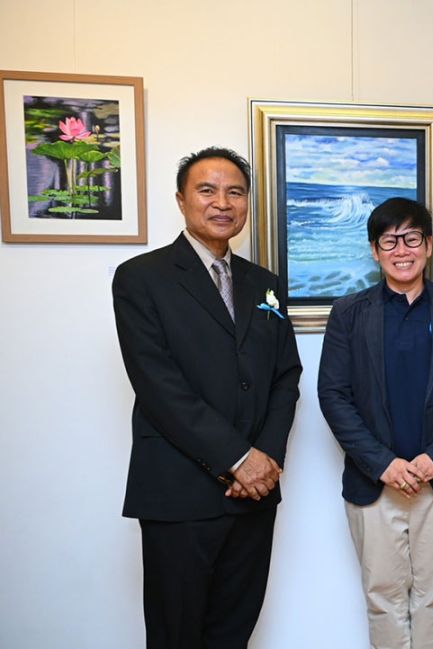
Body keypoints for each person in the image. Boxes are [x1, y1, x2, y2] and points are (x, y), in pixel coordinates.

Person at [112, 146, 302, 648]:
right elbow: (158, 384)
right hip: (180, 492)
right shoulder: (140, 277)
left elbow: (286, 376)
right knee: (176, 634)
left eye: (235, 192)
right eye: (207, 190)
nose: (223, 202)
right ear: (181, 200)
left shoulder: (265, 284)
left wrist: (267, 459)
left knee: (234, 632)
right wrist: (238, 459)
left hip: (255, 495)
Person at [318, 197, 433, 649]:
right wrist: (383, 464)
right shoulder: (349, 313)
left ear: (428, 245)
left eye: (411, 238)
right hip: (375, 485)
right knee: (382, 599)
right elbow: (333, 395)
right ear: (375, 251)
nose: (401, 250)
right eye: (389, 241)